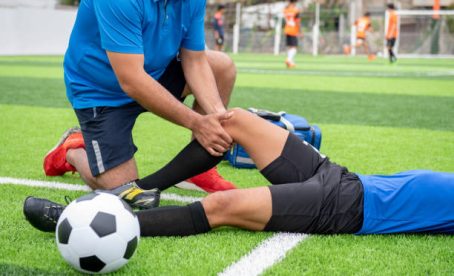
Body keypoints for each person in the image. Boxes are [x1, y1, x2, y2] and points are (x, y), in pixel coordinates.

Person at [25, 108, 454, 235]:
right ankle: (136, 190)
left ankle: (76, 220)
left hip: (347, 208)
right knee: (234, 121)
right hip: (345, 179)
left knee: (223, 205)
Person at [43, 0, 239, 209]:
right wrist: (198, 123)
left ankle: (199, 171)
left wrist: (219, 119)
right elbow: (132, 80)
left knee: (221, 66)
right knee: (125, 190)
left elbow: (195, 60)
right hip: (100, 91)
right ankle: (73, 149)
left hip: (154, 72)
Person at [283, 0, 301, 68]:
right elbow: (297, 22)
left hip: (287, 29)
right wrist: (299, 31)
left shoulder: (285, 10)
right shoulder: (295, 11)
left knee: (290, 47)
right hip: (293, 30)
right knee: (294, 47)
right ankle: (288, 60)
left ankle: (290, 62)